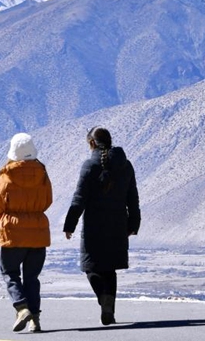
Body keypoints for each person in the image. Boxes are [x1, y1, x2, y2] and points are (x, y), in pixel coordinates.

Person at [63, 126, 141, 325]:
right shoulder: (126, 165)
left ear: (91, 143)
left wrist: (70, 224)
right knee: (110, 269)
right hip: (118, 225)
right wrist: (134, 222)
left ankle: (104, 300)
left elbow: (79, 198)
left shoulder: (89, 166)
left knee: (92, 267)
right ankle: (109, 309)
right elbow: (133, 197)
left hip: (94, 227)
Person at [0, 132, 53, 333]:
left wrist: (7, 223)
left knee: (10, 272)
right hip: (38, 233)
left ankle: (21, 307)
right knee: (32, 277)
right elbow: (47, 201)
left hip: (13, 233)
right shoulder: (43, 175)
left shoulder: (6, 176)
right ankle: (35, 320)